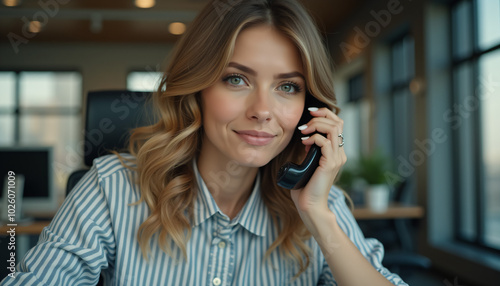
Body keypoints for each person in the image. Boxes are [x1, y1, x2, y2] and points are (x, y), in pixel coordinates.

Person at [1, 0, 408, 285]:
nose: (263, 110)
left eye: (287, 86)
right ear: (196, 88)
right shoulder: (114, 188)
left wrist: (317, 214)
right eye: (236, 79)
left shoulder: (321, 205)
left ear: (310, 109)